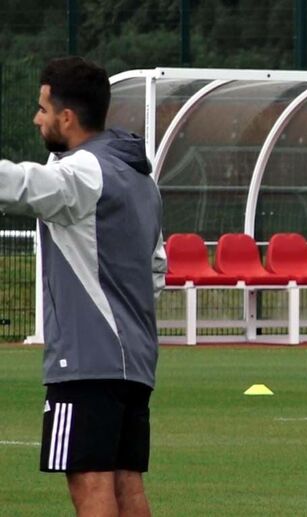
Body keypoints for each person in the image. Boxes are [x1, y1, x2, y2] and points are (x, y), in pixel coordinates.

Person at [0, 57, 165, 516]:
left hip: (86, 361)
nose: (37, 119)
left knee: (89, 484)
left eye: (42, 108)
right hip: (134, 362)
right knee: (126, 484)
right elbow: (156, 267)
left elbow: (24, 185)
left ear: (67, 117)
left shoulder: (84, 172)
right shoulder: (142, 179)